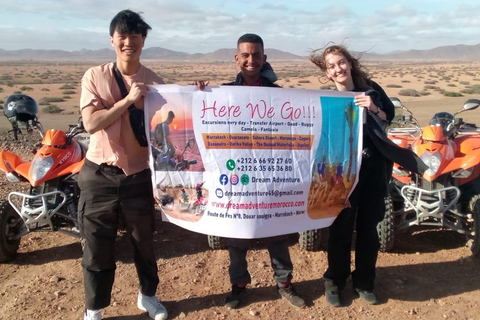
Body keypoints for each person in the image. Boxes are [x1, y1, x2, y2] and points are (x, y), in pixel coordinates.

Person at [78, 10, 167, 320]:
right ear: (112, 39)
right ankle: (94, 308)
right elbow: (91, 124)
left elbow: (171, 123)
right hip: (99, 174)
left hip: (138, 176)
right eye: (123, 36)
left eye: (135, 36)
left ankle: (148, 296)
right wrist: (128, 100)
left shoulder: (155, 82)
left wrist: (198, 92)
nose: (129, 42)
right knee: (97, 245)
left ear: (143, 40)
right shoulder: (95, 76)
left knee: (144, 242)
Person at [221, 33, 305, 309]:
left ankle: (284, 283)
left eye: (256, 55)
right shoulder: (224, 94)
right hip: (239, 180)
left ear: (264, 58)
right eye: (245, 55)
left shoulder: (279, 95)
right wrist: (199, 93)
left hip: (271, 178)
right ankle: (239, 285)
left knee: (277, 235)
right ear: (237, 58)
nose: (251, 60)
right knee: (237, 238)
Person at [309, 44, 395, 307]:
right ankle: (335, 281)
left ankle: (365, 282)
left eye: (341, 62)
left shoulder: (372, 89)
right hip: (343, 173)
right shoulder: (329, 102)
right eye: (331, 66)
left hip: (373, 169)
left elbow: (388, 117)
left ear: (350, 63)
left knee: (369, 229)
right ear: (327, 74)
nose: (338, 69)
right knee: (341, 228)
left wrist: (373, 108)